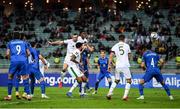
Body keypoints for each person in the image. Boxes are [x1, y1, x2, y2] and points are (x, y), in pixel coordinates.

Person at [4, 35, 31, 101]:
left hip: (14, 61)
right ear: (20, 37)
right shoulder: (24, 42)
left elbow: (7, 54)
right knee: (25, 77)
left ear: (13, 36)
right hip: (23, 61)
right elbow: (29, 53)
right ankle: (29, 95)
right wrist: (24, 57)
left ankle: (9, 96)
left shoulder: (10, 43)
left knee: (10, 77)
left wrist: (10, 58)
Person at [107, 34, 132, 100]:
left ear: (119, 39)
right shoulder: (127, 46)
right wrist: (127, 60)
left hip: (118, 65)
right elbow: (129, 56)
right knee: (129, 80)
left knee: (116, 80)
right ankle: (125, 96)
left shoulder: (115, 46)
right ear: (124, 39)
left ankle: (109, 93)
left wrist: (109, 65)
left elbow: (111, 56)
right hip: (125, 65)